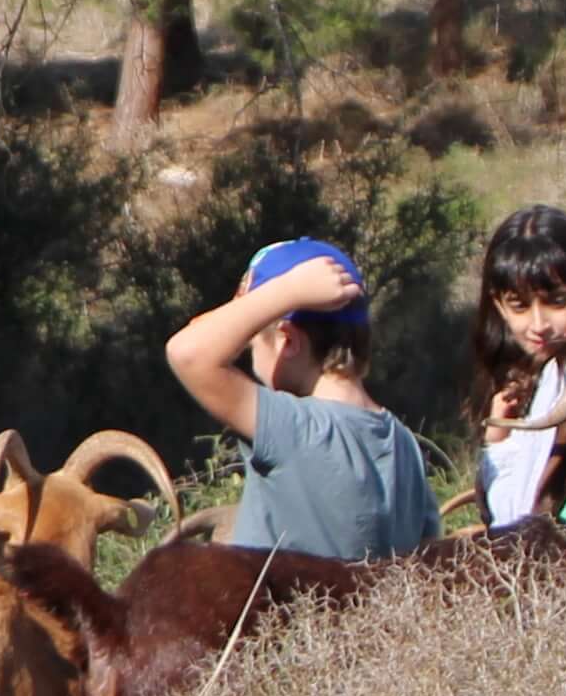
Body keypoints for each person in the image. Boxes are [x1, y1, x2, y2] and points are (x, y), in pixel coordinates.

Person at [168, 238, 442, 561]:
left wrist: (289, 291)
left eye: (253, 344)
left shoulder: (293, 427)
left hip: (288, 612)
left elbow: (186, 354)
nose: (250, 359)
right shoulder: (405, 444)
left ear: (289, 340)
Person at [466, 204, 566, 535]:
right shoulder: (526, 380)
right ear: (499, 305)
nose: (538, 325)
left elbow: (518, 517)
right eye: (519, 305)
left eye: (557, 302)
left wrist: (499, 448)